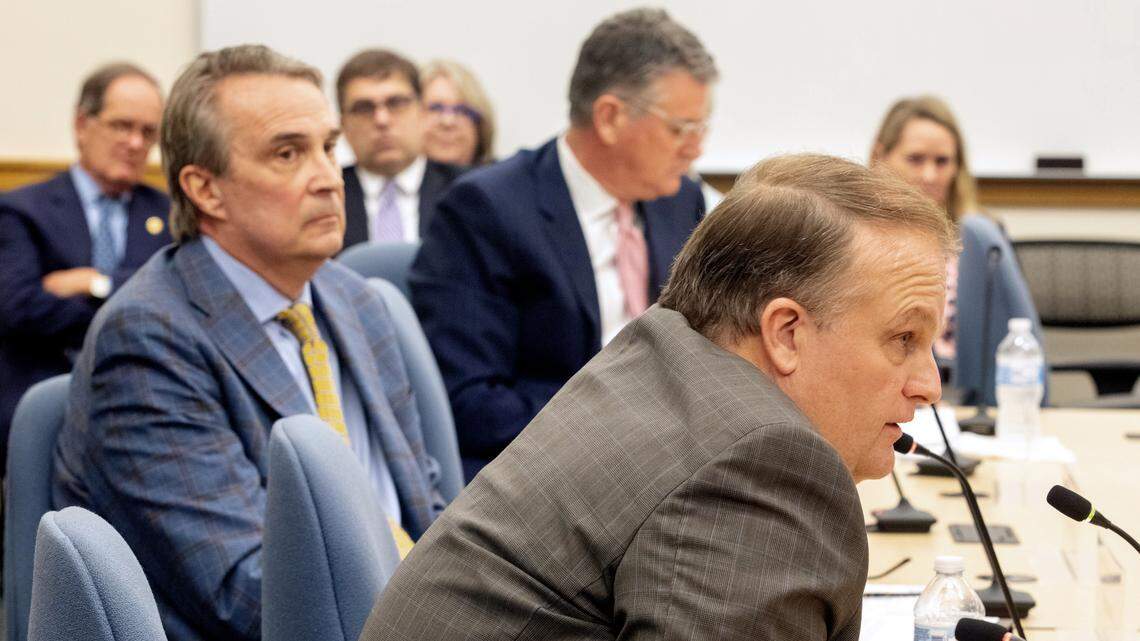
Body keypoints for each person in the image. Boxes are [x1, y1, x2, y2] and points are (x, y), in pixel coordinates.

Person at [358, 153, 954, 641]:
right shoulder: (763, 466)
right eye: (903, 338)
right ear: (786, 332)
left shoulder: (663, 355)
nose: (928, 384)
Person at [54, 45, 445, 641]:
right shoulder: (149, 338)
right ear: (206, 190)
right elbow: (251, 593)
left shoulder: (356, 301)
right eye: (289, 154)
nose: (327, 179)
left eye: (328, 147)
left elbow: (427, 504)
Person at [412, 8, 715, 479]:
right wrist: (626, 425)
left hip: (672, 465)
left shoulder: (680, 199)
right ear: (611, 117)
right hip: (547, 476)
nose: (695, 149)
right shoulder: (486, 210)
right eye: (681, 129)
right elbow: (471, 403)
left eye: (701, 129)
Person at [0, 62, 170, 471]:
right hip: (39, 397)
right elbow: (19, 308)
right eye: (122, 126)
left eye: (148, 132)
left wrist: (96, 283)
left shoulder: (172, 215)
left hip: (144, 402)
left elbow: (173, 300)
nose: (134, 142)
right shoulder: (22, 210)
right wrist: (128, 304)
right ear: (82, 125)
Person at [870, 95, 980, 361]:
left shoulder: (978, 240)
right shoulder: (854, 236)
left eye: (941, 162)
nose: (929, 175)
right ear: (879, 156)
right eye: (916, 159)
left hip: (959, 389)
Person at [336, 49, 465, 249]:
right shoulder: (327, 197)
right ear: (343, 124)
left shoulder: (466, 190)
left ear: (422, 111)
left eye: (395, 103)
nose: (382, 120)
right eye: (364, 108)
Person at [420, 59, 496, 166]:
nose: (448, 121)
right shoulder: (390, 180)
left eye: (462, 110)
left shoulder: (504, 181)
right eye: (435, 108)